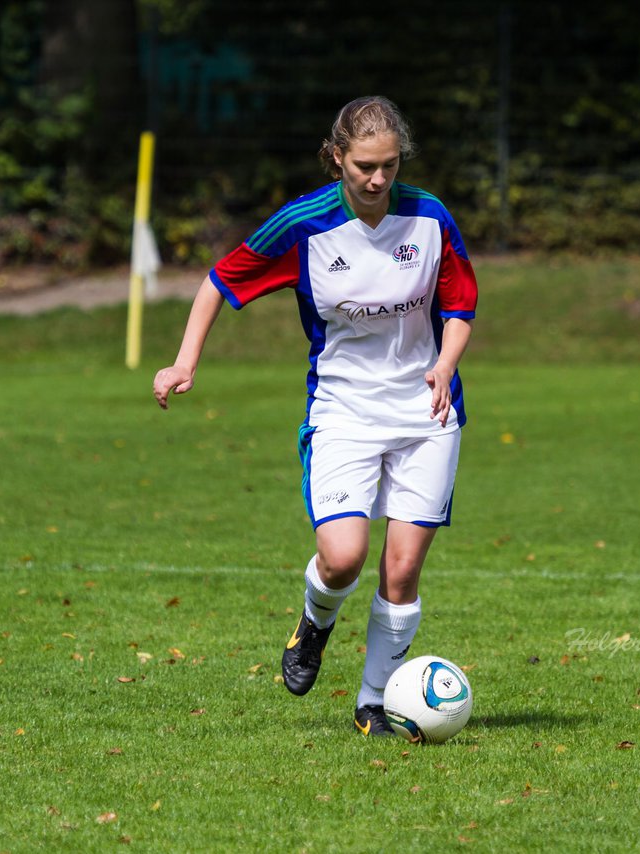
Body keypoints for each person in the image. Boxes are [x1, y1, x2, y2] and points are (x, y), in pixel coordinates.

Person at [153, 95, 477, 736]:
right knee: (343, 557)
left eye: (388, 165)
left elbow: (461, 304)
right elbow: (221, 280)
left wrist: (444, 364)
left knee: (403, 567)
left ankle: (373, 703)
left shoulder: (430, 217)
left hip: (426, 410)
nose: (378, 179)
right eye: (364, 166)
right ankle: (314, 624)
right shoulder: (304, 224)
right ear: (337, 158)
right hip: (344, 411)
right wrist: (185, 361)